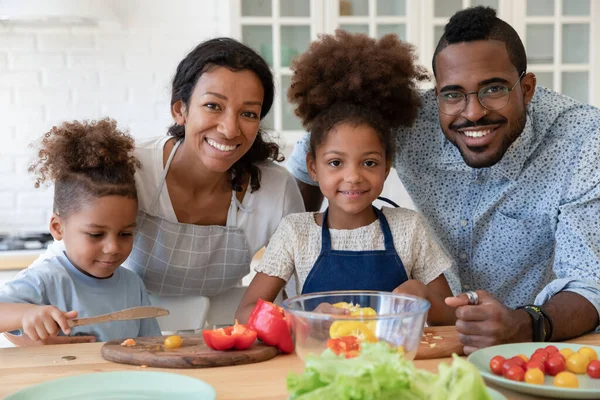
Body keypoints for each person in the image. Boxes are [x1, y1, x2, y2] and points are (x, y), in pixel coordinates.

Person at [288, 7, 600, 353]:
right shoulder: (407, 120)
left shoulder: (582, 140)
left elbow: (589, 284)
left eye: (493, 89)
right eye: (453, 94)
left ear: (526, 89)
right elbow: (314, 155)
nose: (473, 112)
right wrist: (295, 246)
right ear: (436, 94)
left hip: (532, 346)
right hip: (431, 342)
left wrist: (524, 324)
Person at [236, 31, 457, 326]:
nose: (353, 177)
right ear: (313, 168)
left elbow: (450, 318)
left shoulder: (409, 229)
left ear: (387, 166)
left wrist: (422, 295)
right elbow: (245, 311)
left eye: (369, 162)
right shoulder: (296, 233)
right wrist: (302, 317)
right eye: (336, 163)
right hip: (319, 362)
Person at [123, 38, 304, 297]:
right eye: (213, 106)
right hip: (126, 331)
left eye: (249, 113)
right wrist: (40, 307)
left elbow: (298, 289)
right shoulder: (131, 168)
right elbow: (69, 260)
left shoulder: (277, 190)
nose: (230, 129)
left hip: (224, 331)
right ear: (180, 109)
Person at [0, 119, 161, 343]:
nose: (113, 247)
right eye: (96, 234)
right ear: (58, 228)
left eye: (125, 233)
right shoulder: (44, 279)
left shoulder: (133, 285)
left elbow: (151, 345)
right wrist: (26, 314)